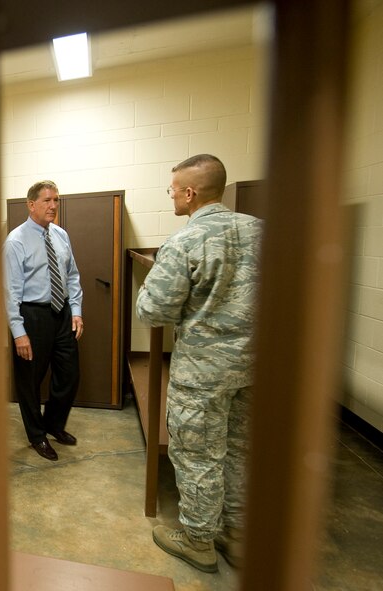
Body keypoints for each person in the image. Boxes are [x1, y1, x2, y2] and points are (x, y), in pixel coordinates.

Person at [136, 154, 262, 573]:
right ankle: (240, 536)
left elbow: (154, 311)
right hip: (257, 367)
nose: (171, 195)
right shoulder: (262, 232)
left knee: (199, 455)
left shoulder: (186, 241)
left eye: (172, 189)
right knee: (242, 451)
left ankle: (198, 539)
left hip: (204, 373)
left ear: (189, 193)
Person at [3, 180, 84, 462]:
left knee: (69, 374)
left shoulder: (61, 235)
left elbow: (72, 275)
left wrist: (76, 310)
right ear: (31, 204)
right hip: (32, 314)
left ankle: (54, 424)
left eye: (56, 200)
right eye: (47, 200)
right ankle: (37, 435)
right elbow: (10, 291)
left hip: (61, 314)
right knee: (30, 380)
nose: (53, 206)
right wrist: (18, 332)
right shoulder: (15, 241)